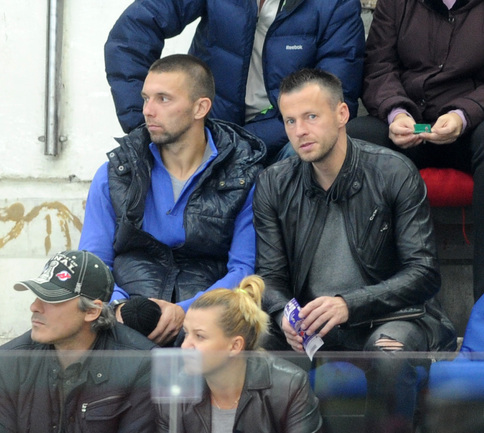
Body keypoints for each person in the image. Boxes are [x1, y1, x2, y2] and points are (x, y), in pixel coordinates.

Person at [253, 68, 457, 433]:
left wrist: (349, 304)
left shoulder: (394, 172)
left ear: (342, 114)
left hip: (394, 315)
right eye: (290, 121)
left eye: (311, 116)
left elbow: (423, 272)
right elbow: (269, 276)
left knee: (390, 354)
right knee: (246, 343)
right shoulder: (273, 182)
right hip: (315, 323)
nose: (300, 131)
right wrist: (285, 315)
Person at [79, 54, 266, 347]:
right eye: (146, 98)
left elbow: (243, 270)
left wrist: (187, 311)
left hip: (207, 327)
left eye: (163, 99)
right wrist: (120, 308)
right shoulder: (116, 173)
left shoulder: (244, 176)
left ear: (200, 107)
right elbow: (92, 264)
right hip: (123, 320)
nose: (148, 110)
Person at [104, 0, 365, 163]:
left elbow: (336, 95)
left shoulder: (336, 4)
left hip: (282, 140)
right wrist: (144, 123)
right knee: (126, 172)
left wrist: (238, 145)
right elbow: (130, 37)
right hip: (207, 132)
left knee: (310, 156)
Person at [345, 0, 484, 302]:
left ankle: (483, 308)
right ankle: (361, 297)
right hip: (408, 122)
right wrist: (395, 111)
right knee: (355, 139)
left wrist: (463, 114)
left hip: (470, 125)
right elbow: (378, 66)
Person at [0, 250, 157, 432]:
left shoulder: (142, 364)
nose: (34, 307)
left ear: (91, 311)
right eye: (37, 296)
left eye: (51, 298)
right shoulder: (9, 361)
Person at [156, 274, 323, 433]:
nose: (185, 346)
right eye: (186, 333)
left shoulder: (289, 387)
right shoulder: (175, 392)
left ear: (235, 346)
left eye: (200, 336)